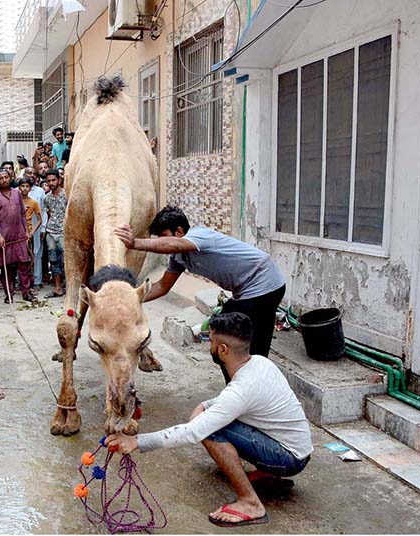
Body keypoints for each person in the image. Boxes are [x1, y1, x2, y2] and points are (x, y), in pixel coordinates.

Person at [107, 312, 312, 528]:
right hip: (298, 449)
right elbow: (231, 400)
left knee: (210, 431)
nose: (210, 346)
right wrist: (205, 405)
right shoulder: (259, 362)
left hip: (289, 458)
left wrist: (136, 441)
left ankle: (251, 503)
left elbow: (192, 432)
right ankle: (270, 474)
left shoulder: (241, 390)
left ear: (223, 350)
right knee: (213, 419)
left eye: (211, 341)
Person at [114, 205, 286, 382]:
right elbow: (162, 286)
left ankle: (251, 388)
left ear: (179, 231)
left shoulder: (199, 235)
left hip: (265, 283)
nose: (162, 244)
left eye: (164, 237)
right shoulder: (178, 257)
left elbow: (176, 244)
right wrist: (131, 300)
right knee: (223, 335)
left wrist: (135, 243)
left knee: (243, 344)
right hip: (245, 292)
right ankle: (240, 387)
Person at [0, 169, 33, 303]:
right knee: (5, 267)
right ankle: (9, 293)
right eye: (1, 178)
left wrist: (26, 230)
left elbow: (22, 213)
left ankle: (26, 292)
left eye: (6, 177)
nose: (4, 180)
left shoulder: (17, 193)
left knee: (23, 265)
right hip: (5, 237)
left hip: (19, 235)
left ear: (10, 178)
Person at [42, 169, 67, 298]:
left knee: (66, 261)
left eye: (53, 180)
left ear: (59, 180)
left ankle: (69, 287)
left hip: (65, 232)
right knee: (53, 260)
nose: (51, 183)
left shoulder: (67, 195)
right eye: (49, 181)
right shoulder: (46, 198)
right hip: (51, 232)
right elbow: (48, 215)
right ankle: (57, 288)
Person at [18, 177, 42, 291]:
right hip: (18, 235)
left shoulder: (33, 202)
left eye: (27, 186)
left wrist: (32, 232)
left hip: (29, 235)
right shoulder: (16, 201)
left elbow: (40, 220)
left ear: (30, 188)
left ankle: (31, 284)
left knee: (30, 259)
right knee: (19, 260)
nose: (25, 188)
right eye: (22, 186)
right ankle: (21, 283)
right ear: (19, 188)